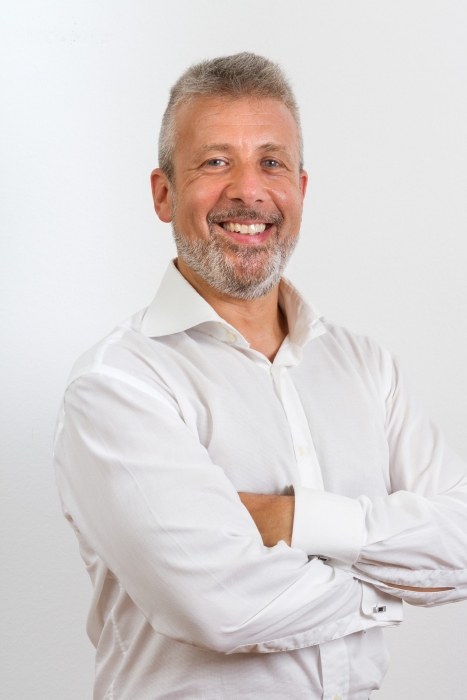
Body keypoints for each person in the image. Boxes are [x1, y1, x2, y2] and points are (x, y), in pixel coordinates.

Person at [53, 52, 467, 700]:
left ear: (300, 190)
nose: (249, 191)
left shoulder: (366, 366)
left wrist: (293, 519)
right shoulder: (118, 385)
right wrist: (389, 587)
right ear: (163, 194)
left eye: (271, 162)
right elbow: (219, 605)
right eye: (216, 162)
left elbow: (462, 539)